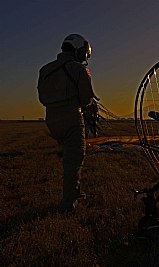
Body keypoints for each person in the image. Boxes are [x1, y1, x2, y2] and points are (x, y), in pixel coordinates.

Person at [37, 34, 96, 213]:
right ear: (78, 50)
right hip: (72, 119)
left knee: (69, 159)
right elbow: (87, 99)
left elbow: (42, 97)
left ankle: (74, 192)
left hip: (51, 120)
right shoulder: (78, 69)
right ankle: (68, 204)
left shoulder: (45, 69)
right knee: (74, 162)